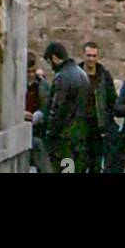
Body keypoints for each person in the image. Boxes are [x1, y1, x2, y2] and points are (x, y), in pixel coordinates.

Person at [43, 41, 91, 173]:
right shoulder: (82, 74)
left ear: (54, 58)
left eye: (49, 62)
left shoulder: (62, 77)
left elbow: (57, 109)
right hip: (80, 136)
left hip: (65, 138)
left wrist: (49, 134)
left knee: (65, 169)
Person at [80, 40, 117, 174]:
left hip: (98, 126)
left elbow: (112, 100)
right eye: (89, 55)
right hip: (80, 126)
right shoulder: (77, 74)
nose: (91, 59)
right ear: (83, 55)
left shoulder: (104, 75)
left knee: (96, 164)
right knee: (80, 163)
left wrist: (109, 122)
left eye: (94, 56)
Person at [25, 51, 51, 172]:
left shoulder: (42, 84)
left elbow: (47, 106)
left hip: (38, 129)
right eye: (28, 72)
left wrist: (38, 115)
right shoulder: (17, 84)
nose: (30, 74)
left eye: (32, 71)